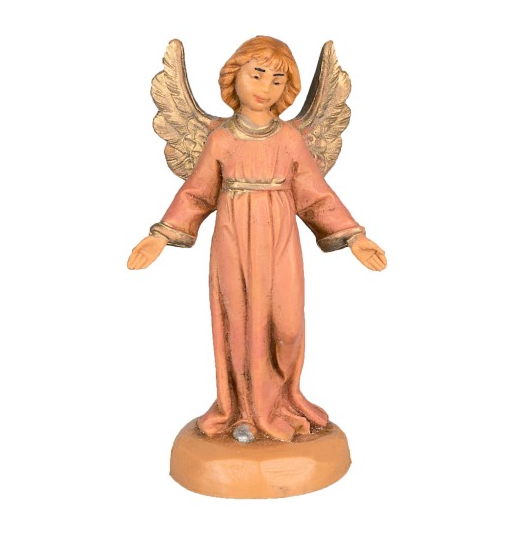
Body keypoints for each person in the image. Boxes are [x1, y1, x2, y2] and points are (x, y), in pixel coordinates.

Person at [128, 36, 386, 442]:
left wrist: (355, 238)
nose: (266, 87)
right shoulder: (221, 138)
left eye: (277, 80)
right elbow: (196, 193)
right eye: (257, 75)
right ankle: (245, 411)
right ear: (234, 76)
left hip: (280, 239)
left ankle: (283, 399)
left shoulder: (289, 139)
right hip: (234, 240)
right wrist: (159, 237)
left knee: (287, 325)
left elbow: (316, 194)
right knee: (241, 322)